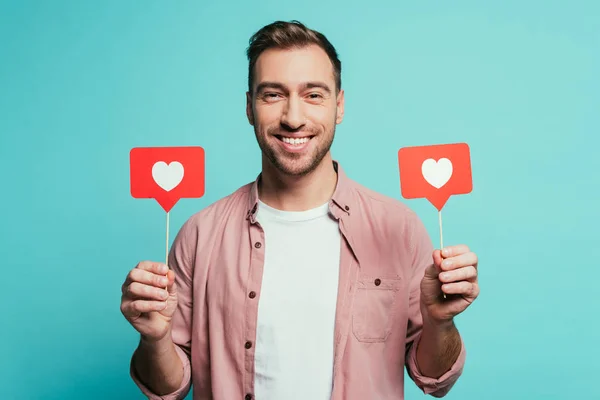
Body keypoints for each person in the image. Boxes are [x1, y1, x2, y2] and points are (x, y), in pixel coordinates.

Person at [120, 20, 480, 400]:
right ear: (248, 107)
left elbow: (435, 379)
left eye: (313, 95)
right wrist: (155, 339)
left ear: (338, 105)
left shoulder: (399, 228)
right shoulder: (200, 235)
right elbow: (166, 389)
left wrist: (441, 323)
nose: (294, 117)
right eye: (273, 95)